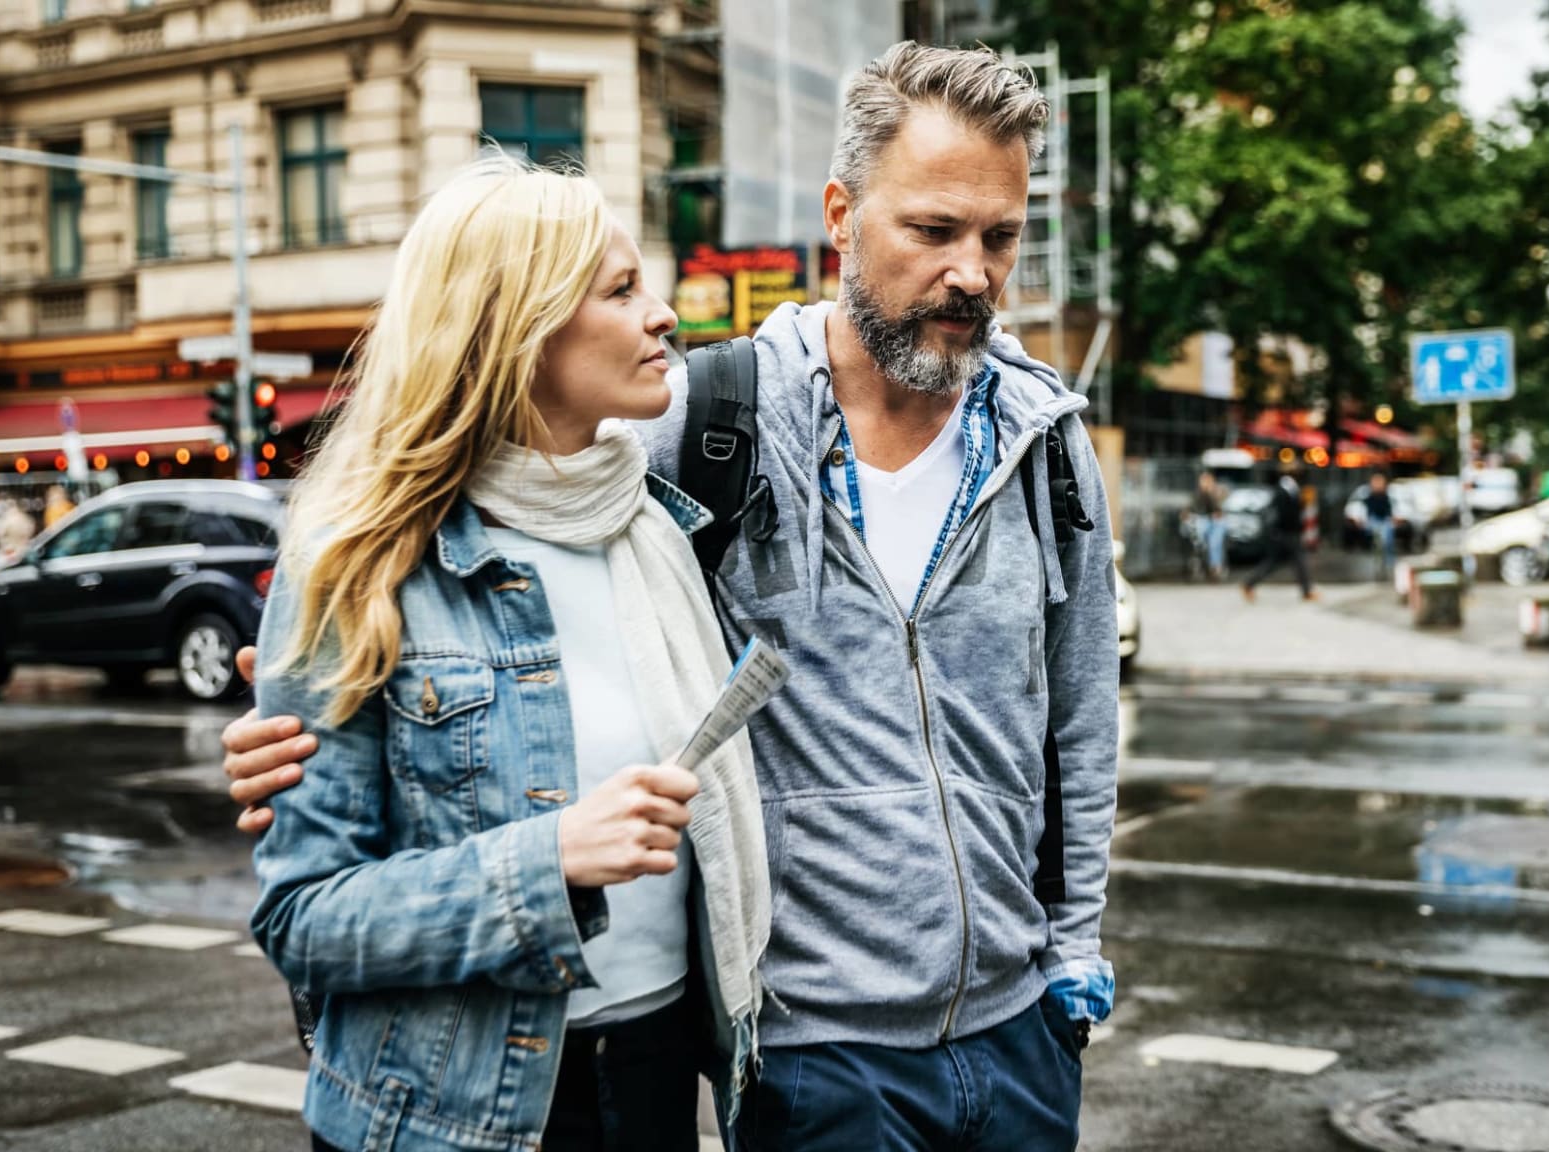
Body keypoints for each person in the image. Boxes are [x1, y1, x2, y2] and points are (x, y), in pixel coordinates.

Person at [221, 42, 1117, 1152]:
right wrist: (312, 716)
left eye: (1000, 237)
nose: (972, 273)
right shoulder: (691, 431)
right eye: (933, 230)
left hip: (977, 1043)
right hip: (786, 1057)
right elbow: (320, 878)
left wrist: (1069, 963)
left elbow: (1080, 728)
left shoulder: (1034, 446)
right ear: (841, 216)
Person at [243, 157, 769, 1152]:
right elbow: (302, 918)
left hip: (655, 1078)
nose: (662, 315)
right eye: (621, 290)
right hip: (449, 1109)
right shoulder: (360, 564)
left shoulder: (655, 530)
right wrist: (548, 861)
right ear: (517, 330)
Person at [1241, 470, 1315, 602]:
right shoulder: (1282, 492)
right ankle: (1306, 592)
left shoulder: (1290, 490)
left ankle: (1249, 584)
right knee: (1298, 561)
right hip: (1286, 533)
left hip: (1285, 534)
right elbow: (1285, 514)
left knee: (1275, 563)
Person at [1189, 472, 1227, 580]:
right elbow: (1195, 509)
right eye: (1204, 481)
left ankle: (1215, 567)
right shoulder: (1198, 494)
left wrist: (1213, 493)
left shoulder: (1217, 492)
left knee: (1215, 543)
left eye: (1208, 481)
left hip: (1216, 523)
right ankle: (1199, 563)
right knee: (1198, 538)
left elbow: (1219, 509)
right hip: (1202, 520)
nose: (1206, 483)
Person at [1364, 473, 1396, 578]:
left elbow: (1389, 511)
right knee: (1376, 538)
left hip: (1384, 520)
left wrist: (1391, 519)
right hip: (1375, 520)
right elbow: (1369, 512)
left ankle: (1389, 563)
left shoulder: (1385, 496)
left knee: (1388, 540)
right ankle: (1378, 560)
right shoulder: (1370, 497)